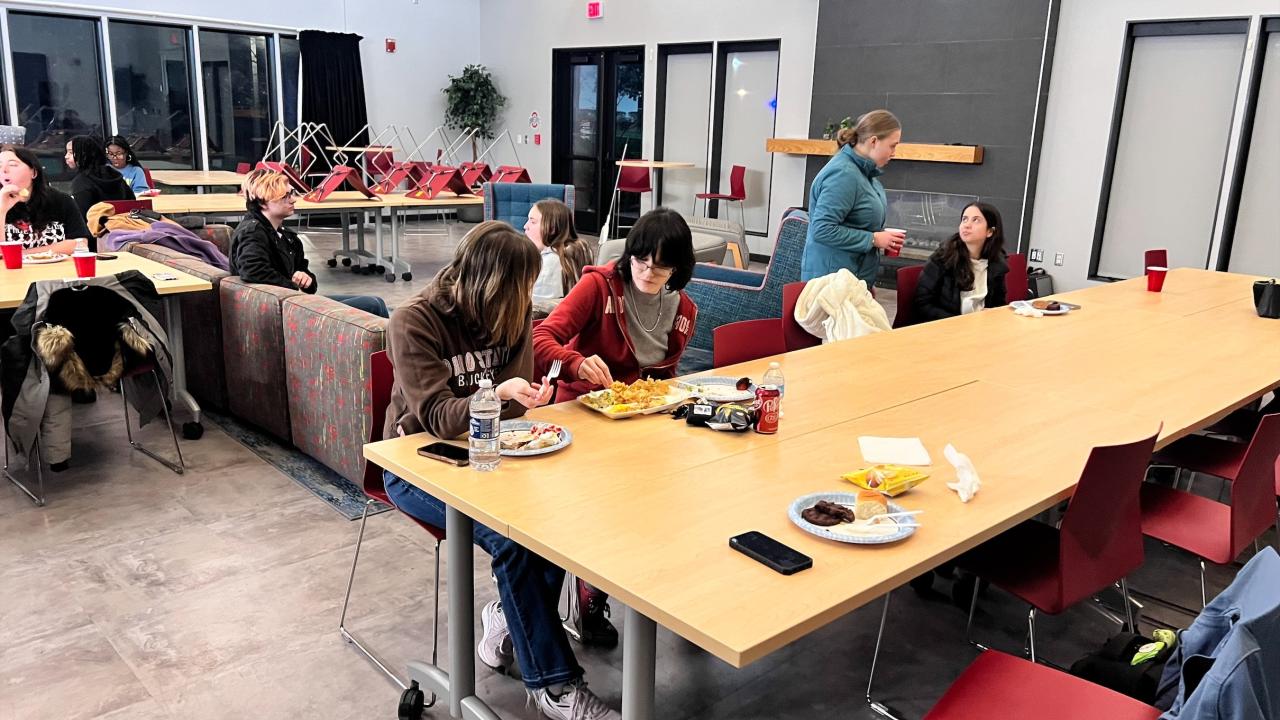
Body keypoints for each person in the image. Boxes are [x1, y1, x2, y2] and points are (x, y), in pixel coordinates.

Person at [382, 221, 620, 720]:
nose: (529, 298)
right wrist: (499, 395)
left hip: (497, 456)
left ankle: (508, 621)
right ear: (493, 284)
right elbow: (438, 418)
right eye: (524, 287)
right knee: (513, 539)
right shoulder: (414, 321)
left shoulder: (510, 315)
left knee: (556, 522)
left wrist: (521, 396)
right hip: (417, 466)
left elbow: (516, 406)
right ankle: (554, 684)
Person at [534, 206, 698, 402]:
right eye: (641, 260)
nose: (647, 273)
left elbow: (666, 379)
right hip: (584, 402)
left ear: (676, 268)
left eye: (660, 266)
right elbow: (539, 337)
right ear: (630, 255)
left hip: (644, 410)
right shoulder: (598, 285)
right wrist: (575, 364)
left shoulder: (684, 309)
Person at [229, 169, 390, 318]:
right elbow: (252, 270)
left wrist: (307, 280)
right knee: (372, 305)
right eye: (285, 196)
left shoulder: (287, 236)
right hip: (281, 309)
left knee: (376, 302)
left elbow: (307, 278)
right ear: (263, 202)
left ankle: (391, 349)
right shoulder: (252, 232)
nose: (293, 199)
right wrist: (292, 285)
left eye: (291, 193)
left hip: (293, 301)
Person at [801, 109, 905, 287]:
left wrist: (880, 237)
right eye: (892, 145)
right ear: (873, 141)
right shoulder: (843, 174)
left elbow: (856, 222)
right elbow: (822, 229)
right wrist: (874, 239)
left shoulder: (864, 173)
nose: (894, 152)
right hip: (832, 284)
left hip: (851, 278)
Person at [910, 202, 1009, 324]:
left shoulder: (996, 263)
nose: (967, 225)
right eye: (964, 219)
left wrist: (990, 316)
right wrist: (960, 322)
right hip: (946, 328)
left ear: (990, 231)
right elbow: (922, 304)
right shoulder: (942, 258)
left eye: (976, 220)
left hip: (981, 328)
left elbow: (998, 303)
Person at [1, 145, 91, 256]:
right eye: (0, 166)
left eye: (13, 165)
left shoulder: (61, 200)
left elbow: (80, 243)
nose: (4, 170)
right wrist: (2, 211)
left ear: (33, 172)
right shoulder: (1, 204)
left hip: (58, 271)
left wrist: (22, 254)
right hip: (12, 272)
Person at [525, 198, 595, 305]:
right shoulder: (581, 250)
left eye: (532, 221)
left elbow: (536, 308)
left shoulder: (551, 262)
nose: (525, 226)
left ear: (551, 228)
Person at [65, 135, 135, 220]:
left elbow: (82, 220)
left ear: (84, 154)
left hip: (96, 230)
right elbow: (132, 204)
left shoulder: (81, 183)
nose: (66, 156)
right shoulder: (115, 174)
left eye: (71, 153)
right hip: (125, 228)